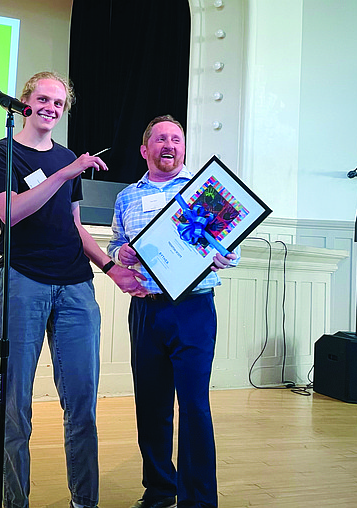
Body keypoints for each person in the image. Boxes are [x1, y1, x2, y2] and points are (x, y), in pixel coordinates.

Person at [0, 71, 148, 508]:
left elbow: (75, 225)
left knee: (82, 406)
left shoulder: (65, 157)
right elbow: (10, 214)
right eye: (43, 99)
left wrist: (111, 267)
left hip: (76, 287)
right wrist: (65, 173)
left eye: (59, 103)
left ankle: (85, 502)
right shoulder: (5, 151)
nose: (50, 108)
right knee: (15, 407)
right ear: (25, 102)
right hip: (24, 280)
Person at [107, 115, 239, 508]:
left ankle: (198, 499)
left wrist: (222, 257)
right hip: (147, 310)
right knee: (151, 404)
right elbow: (115, 241)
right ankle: (160, 489)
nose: (169, 144)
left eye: (177, 139)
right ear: (145, 150)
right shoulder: (127, 196)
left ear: (184, 148)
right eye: (160, 139)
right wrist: (119, 253)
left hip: (194, 309)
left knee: (195, 405)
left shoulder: (207, 193)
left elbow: (232, 246)